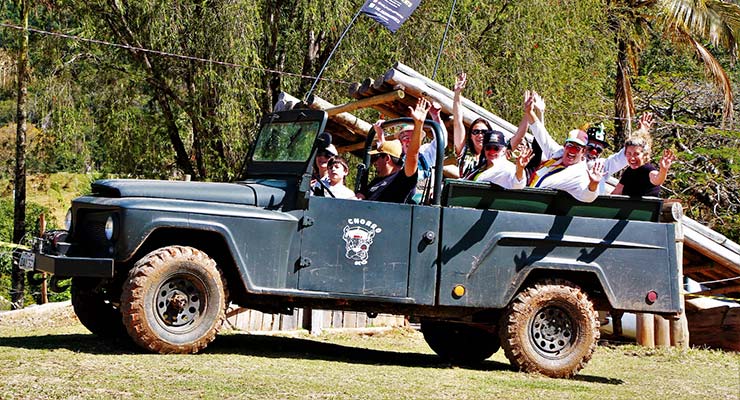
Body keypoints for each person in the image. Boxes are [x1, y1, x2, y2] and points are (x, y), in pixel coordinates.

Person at [514, 93, 605, 203]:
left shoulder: (580, 173)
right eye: (570, 145)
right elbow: (541, 133)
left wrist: (593, 184)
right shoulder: (558, 153)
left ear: (583, 152)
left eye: (577, 148)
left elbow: (587, 197)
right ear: (565, 146)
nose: (572, 150)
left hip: (540, 208)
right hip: (527, 197)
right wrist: (529, 112)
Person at [372, 101, 448, 203]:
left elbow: (441, 142)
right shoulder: (396, 155)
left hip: (422, 204)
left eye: (413, 137)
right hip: (398, 201)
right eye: (405, 137)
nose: (409, 141)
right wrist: (380, 134)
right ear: (400, 141)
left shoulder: (425, 154)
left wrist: (435, 116)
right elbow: (385, 151)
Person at [358, 98, 431, 203]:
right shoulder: (378, 180)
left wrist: (418, 125)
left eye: (377, 157)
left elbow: (412, 155)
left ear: (387, 158)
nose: (374, 162)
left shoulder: (402, 179)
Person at [612, 132, 676, 197]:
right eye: (629, 154)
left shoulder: (648, 169)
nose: (632, 158)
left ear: (645, 155)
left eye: (636, 154)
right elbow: (617, 192)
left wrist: (663, 169)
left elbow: (658, 180)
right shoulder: (628, 171)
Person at [452, 72, 490, 178]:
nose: (480, 135)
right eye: (476, 132)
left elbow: (518, 137)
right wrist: (457, 94)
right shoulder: (464, 152)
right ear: (471, 135)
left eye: (484, 132)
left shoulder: (495, 154)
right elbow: (457, 122)